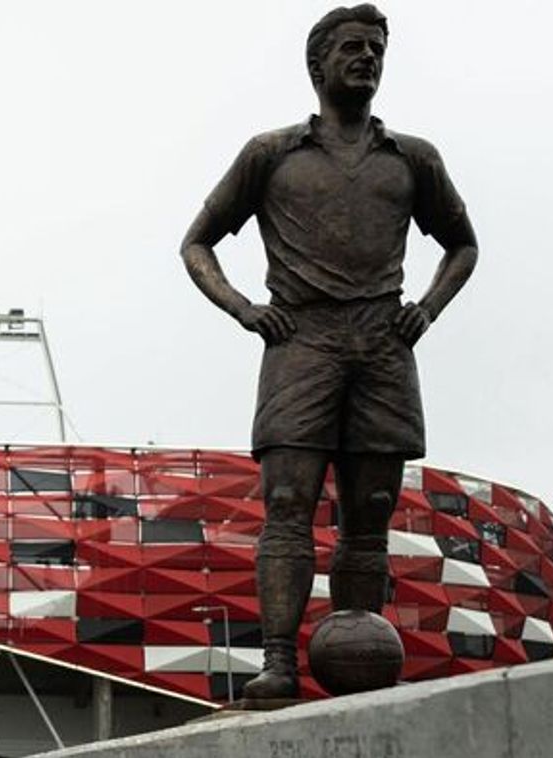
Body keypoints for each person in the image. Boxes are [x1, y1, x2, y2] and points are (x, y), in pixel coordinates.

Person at [179, 4, 478, 698]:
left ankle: (359, 666)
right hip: (300, 341)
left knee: (369, 509)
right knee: (288, 500)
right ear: (317, 65)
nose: (367, 58)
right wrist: (244, 309)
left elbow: (462, 244)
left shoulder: (413, 157)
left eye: (375, 49)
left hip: (382, 344)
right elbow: (196, 242)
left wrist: (427, 308)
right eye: (352, 47)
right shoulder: (270, 153)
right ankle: (279, 663)